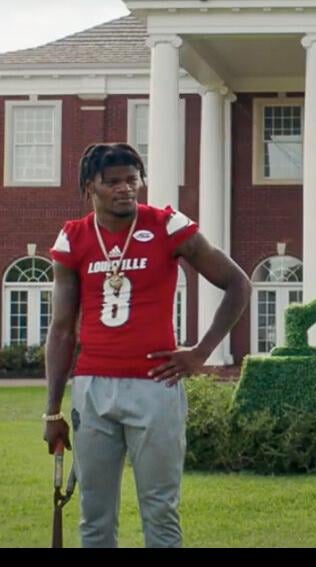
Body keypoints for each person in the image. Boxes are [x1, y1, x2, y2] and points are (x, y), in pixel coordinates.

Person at [42, 142, 250, 548]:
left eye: (132, 180)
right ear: (90, 188)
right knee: (94, 513)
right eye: (113, 181)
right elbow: (62, 328)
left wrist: (201, 353)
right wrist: (51, 410)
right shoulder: (74, 237)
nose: (125, 189)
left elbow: (237, 283)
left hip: (155, 386)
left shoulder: (166, 226)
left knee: (160, 508)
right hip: (93, 388)